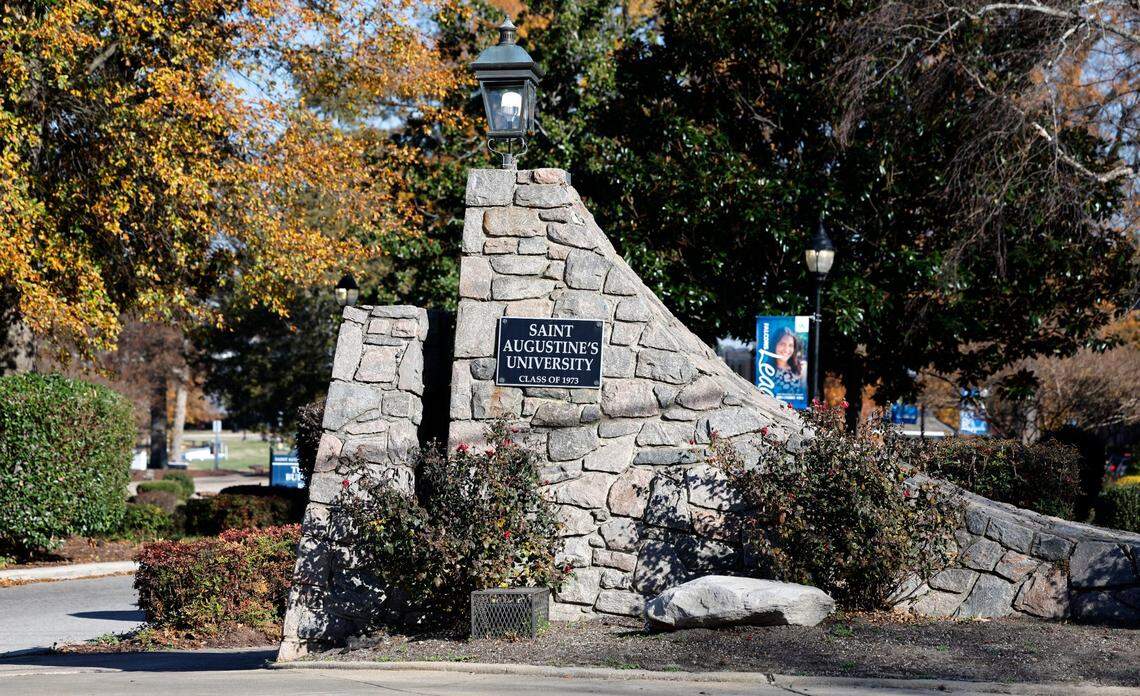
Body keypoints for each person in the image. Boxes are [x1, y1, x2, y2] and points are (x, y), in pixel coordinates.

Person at [771, 327, 806, 392]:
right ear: (774, 345)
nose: (786, 350)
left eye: (790, 345)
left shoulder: (801, 368)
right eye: (782, 344)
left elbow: (804, 393)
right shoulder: (766, 368)